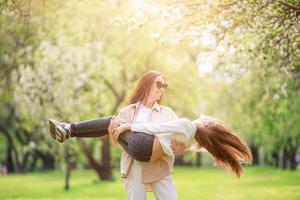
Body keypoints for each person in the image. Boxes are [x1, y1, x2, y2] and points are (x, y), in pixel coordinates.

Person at [50, 71, 183, 200]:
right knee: (111, 122)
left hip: (159, 166)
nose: (162, 89)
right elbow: (118, 143)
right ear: (146, 84)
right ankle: (68, 130)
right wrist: (111, 131)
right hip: (134, 167)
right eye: (159, 84)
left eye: (164, 86)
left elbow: (179, 137)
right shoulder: (128, 112)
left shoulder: (167, 114)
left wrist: (179, 147)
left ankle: (68, 129)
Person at [49, 114, 252, 178]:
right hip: (143, 154)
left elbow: (157, 126)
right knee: (109, 126)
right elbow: (167, 143)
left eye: (202, 118)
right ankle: (68, 131)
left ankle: (69, 130)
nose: (199, 117)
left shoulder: (187, 126)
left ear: (204, 125)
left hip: (143, 143)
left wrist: (131, 125)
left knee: (113, 121)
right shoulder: (189, 140)